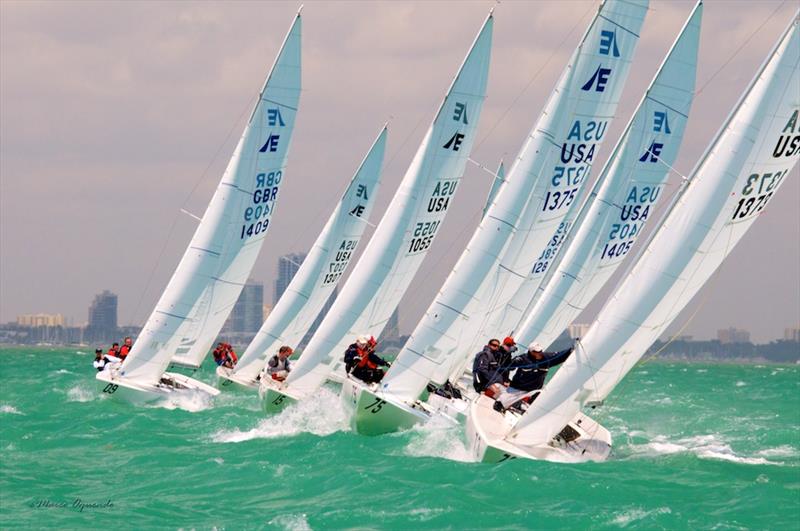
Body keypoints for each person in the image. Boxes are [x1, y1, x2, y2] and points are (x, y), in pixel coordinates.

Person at [495, 342, 574, 410]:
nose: (539, 352)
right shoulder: (522, 359)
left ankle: (523, 407)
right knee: (499, 404)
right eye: (536, 351)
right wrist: (507, 354)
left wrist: (571, 350)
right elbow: (507, 367)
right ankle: (513, 404)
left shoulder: (547, 358)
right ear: (531, 351)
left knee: (535, 406)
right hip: (518, 388)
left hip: (534, 389)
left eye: (540, 350)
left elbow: (561, 355)